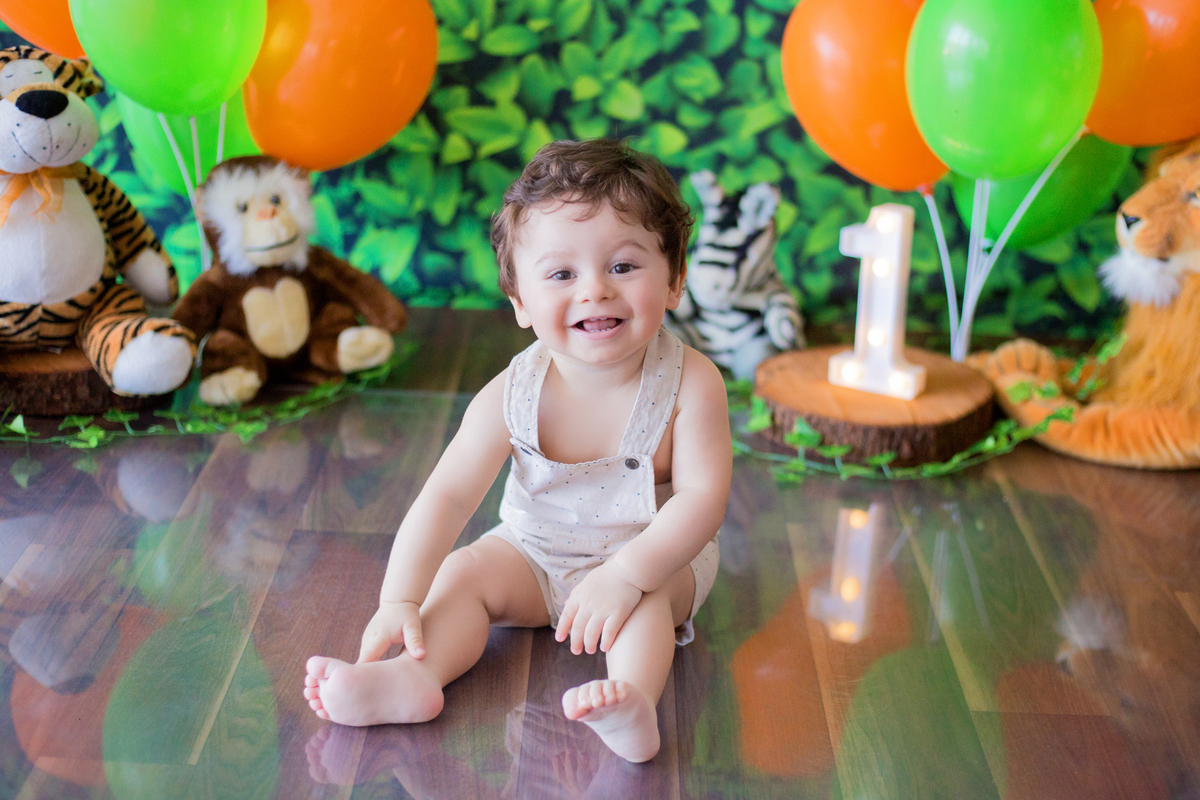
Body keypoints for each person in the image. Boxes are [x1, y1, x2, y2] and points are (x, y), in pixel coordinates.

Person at [303, 139, 732, 763]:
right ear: (521, 303)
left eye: (623, 266)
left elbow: (702, 500)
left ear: (674, 280)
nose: (595, 291)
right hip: (535, 553)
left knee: (648, 605)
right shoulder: (513, 392)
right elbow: (447, 496)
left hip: (651, 556)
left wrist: (623, 574)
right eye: (562, 274)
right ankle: (414, 678)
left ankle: (633, 703)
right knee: (464, 573)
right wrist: (399, 598)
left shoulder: (693, 382)